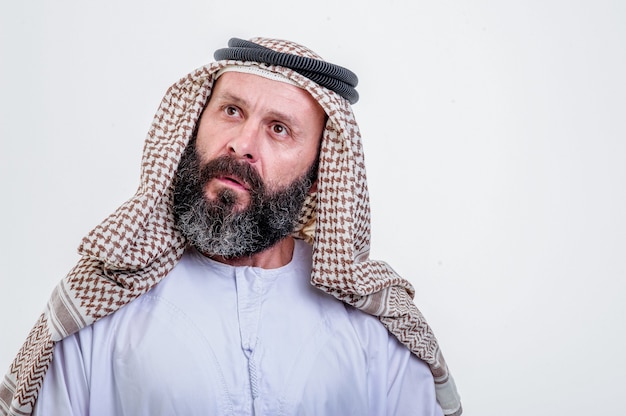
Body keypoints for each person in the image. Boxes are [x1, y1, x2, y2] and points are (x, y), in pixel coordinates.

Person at [1, 37, 462, 416]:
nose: (242, 143)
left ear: (322, 172)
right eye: (232, 111)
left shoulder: (374, 330)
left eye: (279, 128)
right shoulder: (102, 304)